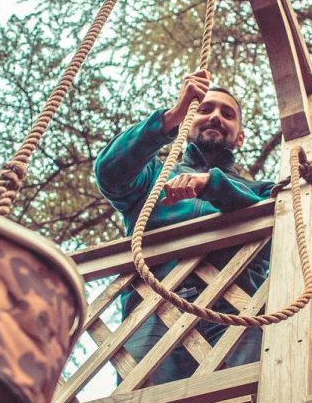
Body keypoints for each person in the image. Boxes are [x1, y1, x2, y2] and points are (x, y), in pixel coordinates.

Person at [93, 70, 273, 384]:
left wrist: (213, 185)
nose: (216, 116)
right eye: (205, 109)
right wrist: (171, 116)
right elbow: (110, 173)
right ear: (188, 123)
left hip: (237, 310)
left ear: (240, 135)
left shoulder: (257, 192)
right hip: (153, 311)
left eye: (227, 114)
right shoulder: (152, 179)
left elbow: (279, 220)